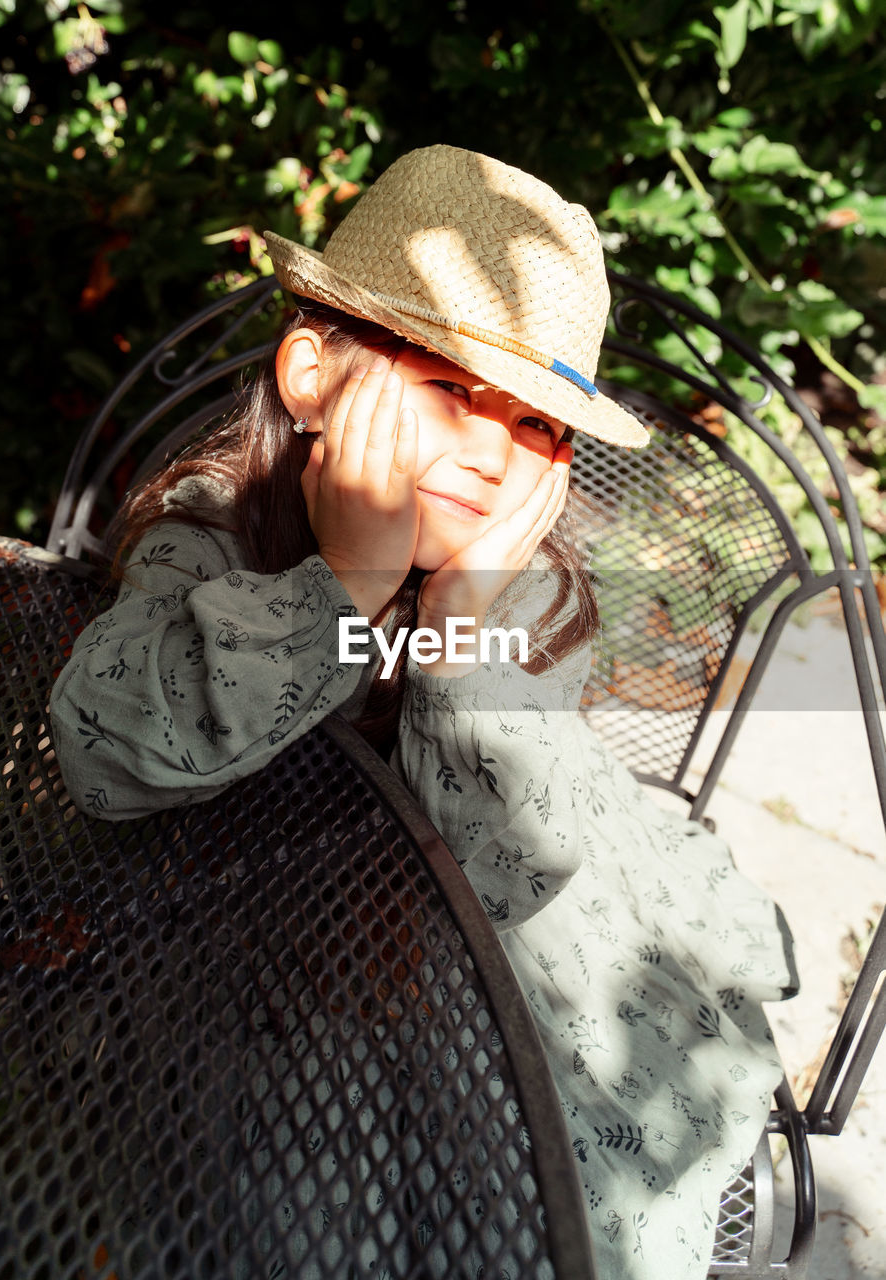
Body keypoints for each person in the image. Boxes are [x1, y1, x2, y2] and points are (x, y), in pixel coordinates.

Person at [50, 145, 797, 1280]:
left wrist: (456, 634)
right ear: (312, 379)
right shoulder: (214, 531)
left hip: (472, 958)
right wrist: (344, 582)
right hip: (249, 969)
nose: (496, 452)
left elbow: (521, 861)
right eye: (453, 393)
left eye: (536, 424)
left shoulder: (523, 588)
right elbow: (108, 755)